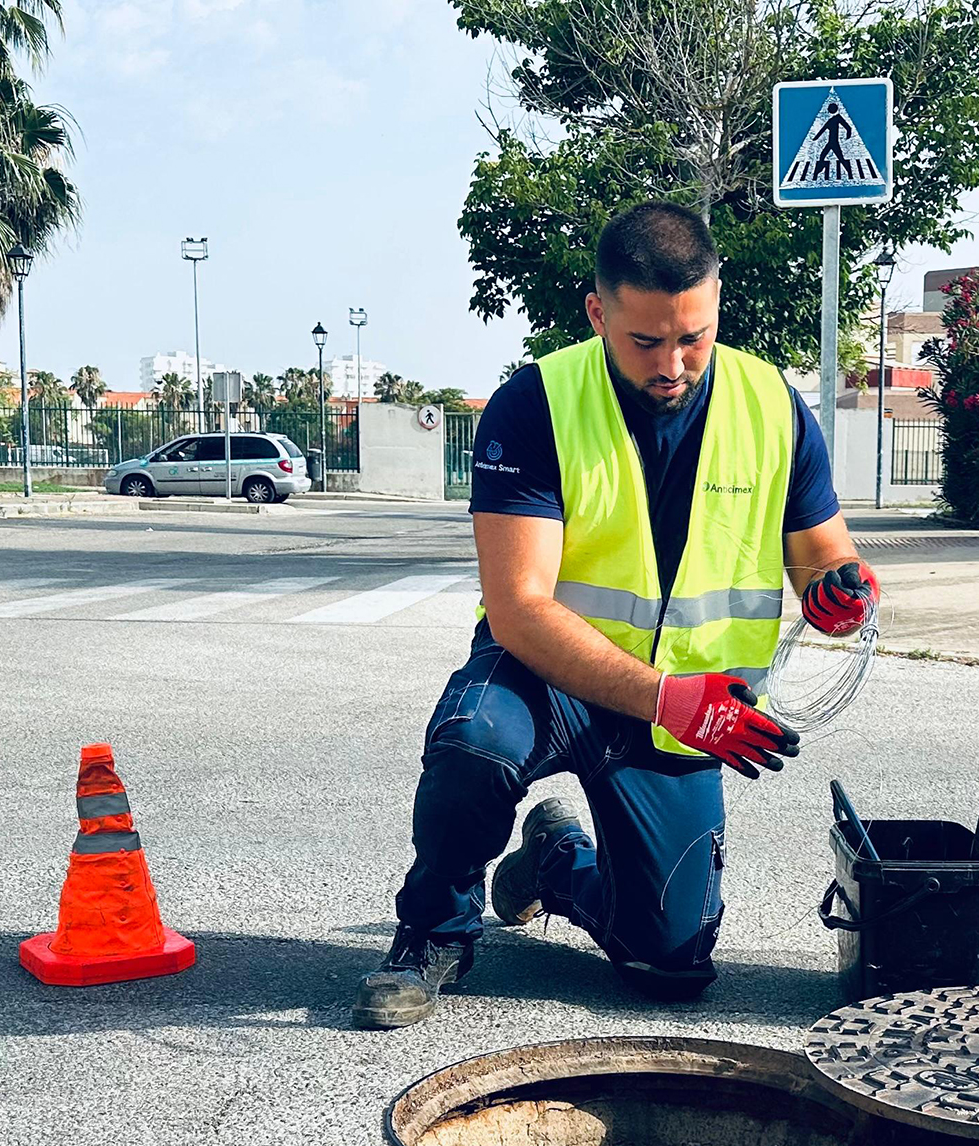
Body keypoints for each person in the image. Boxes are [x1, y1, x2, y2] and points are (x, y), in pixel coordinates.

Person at [352, 201, 881, 1029]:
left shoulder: (771, 405)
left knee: (669, 966)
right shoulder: (536, 404)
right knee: (472, 743)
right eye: (645, 341)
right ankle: (432, 932)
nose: (672, 364)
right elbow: (519, 609)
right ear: (598, 313)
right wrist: (666, 698)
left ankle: (555, 861)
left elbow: (823, 555)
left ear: (716, 301)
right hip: (549, 680)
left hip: (685, 710)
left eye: (693, 337)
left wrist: (841, 594)